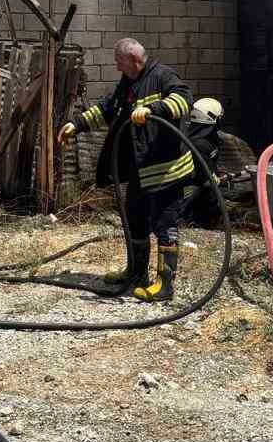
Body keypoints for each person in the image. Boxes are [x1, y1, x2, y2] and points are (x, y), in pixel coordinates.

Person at [57, 38, 192, 302]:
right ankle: (136, 274)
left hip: (167, 172)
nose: (117, 66)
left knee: (164, 225)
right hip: (141, 172)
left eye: (119, 62)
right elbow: (108, 108)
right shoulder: (128, 83)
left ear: (133, 60)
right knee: (134, 220)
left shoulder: (163, 76)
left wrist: (152, 109)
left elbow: (184, 100)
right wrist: (77, 124)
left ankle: (164, 286)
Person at [181, 97, 225, 228]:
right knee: (211, 191)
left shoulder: (207, 139)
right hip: (187, 190)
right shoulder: (199, 145)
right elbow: (206, 179)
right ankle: (194, 221)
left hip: (197, 184)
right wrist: (216, 180)